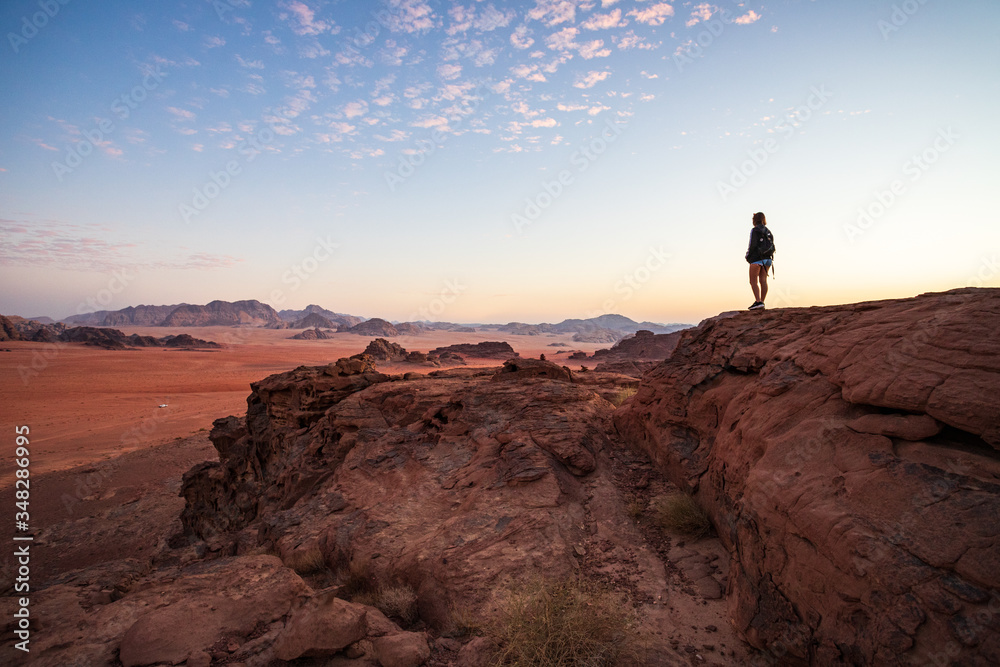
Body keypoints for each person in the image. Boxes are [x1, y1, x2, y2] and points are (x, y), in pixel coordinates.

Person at [745, 211, 775, 310]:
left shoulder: (755, 230)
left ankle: (758, 301)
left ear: (755, 220)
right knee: (763, 281)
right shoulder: (768, 231)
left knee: (753, 281)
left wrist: (748, 256)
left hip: (757, 259)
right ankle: (762, 301)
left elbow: (752, 245)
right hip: (768, 259)